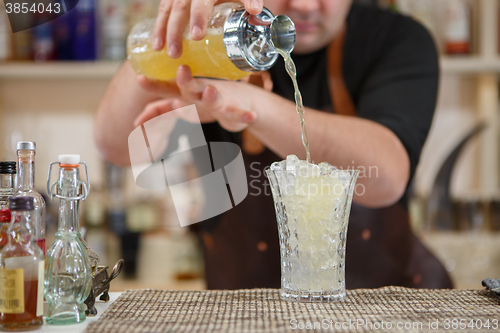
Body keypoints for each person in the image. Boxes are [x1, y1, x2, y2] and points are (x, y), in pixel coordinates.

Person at [95, 0, 453, 289]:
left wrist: (253, 107)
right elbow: (114, 144)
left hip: (383, 312)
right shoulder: (217, 41)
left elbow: (385, 176)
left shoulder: (395, 39)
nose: (305, 5)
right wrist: (180, 29)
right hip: (239, 314)